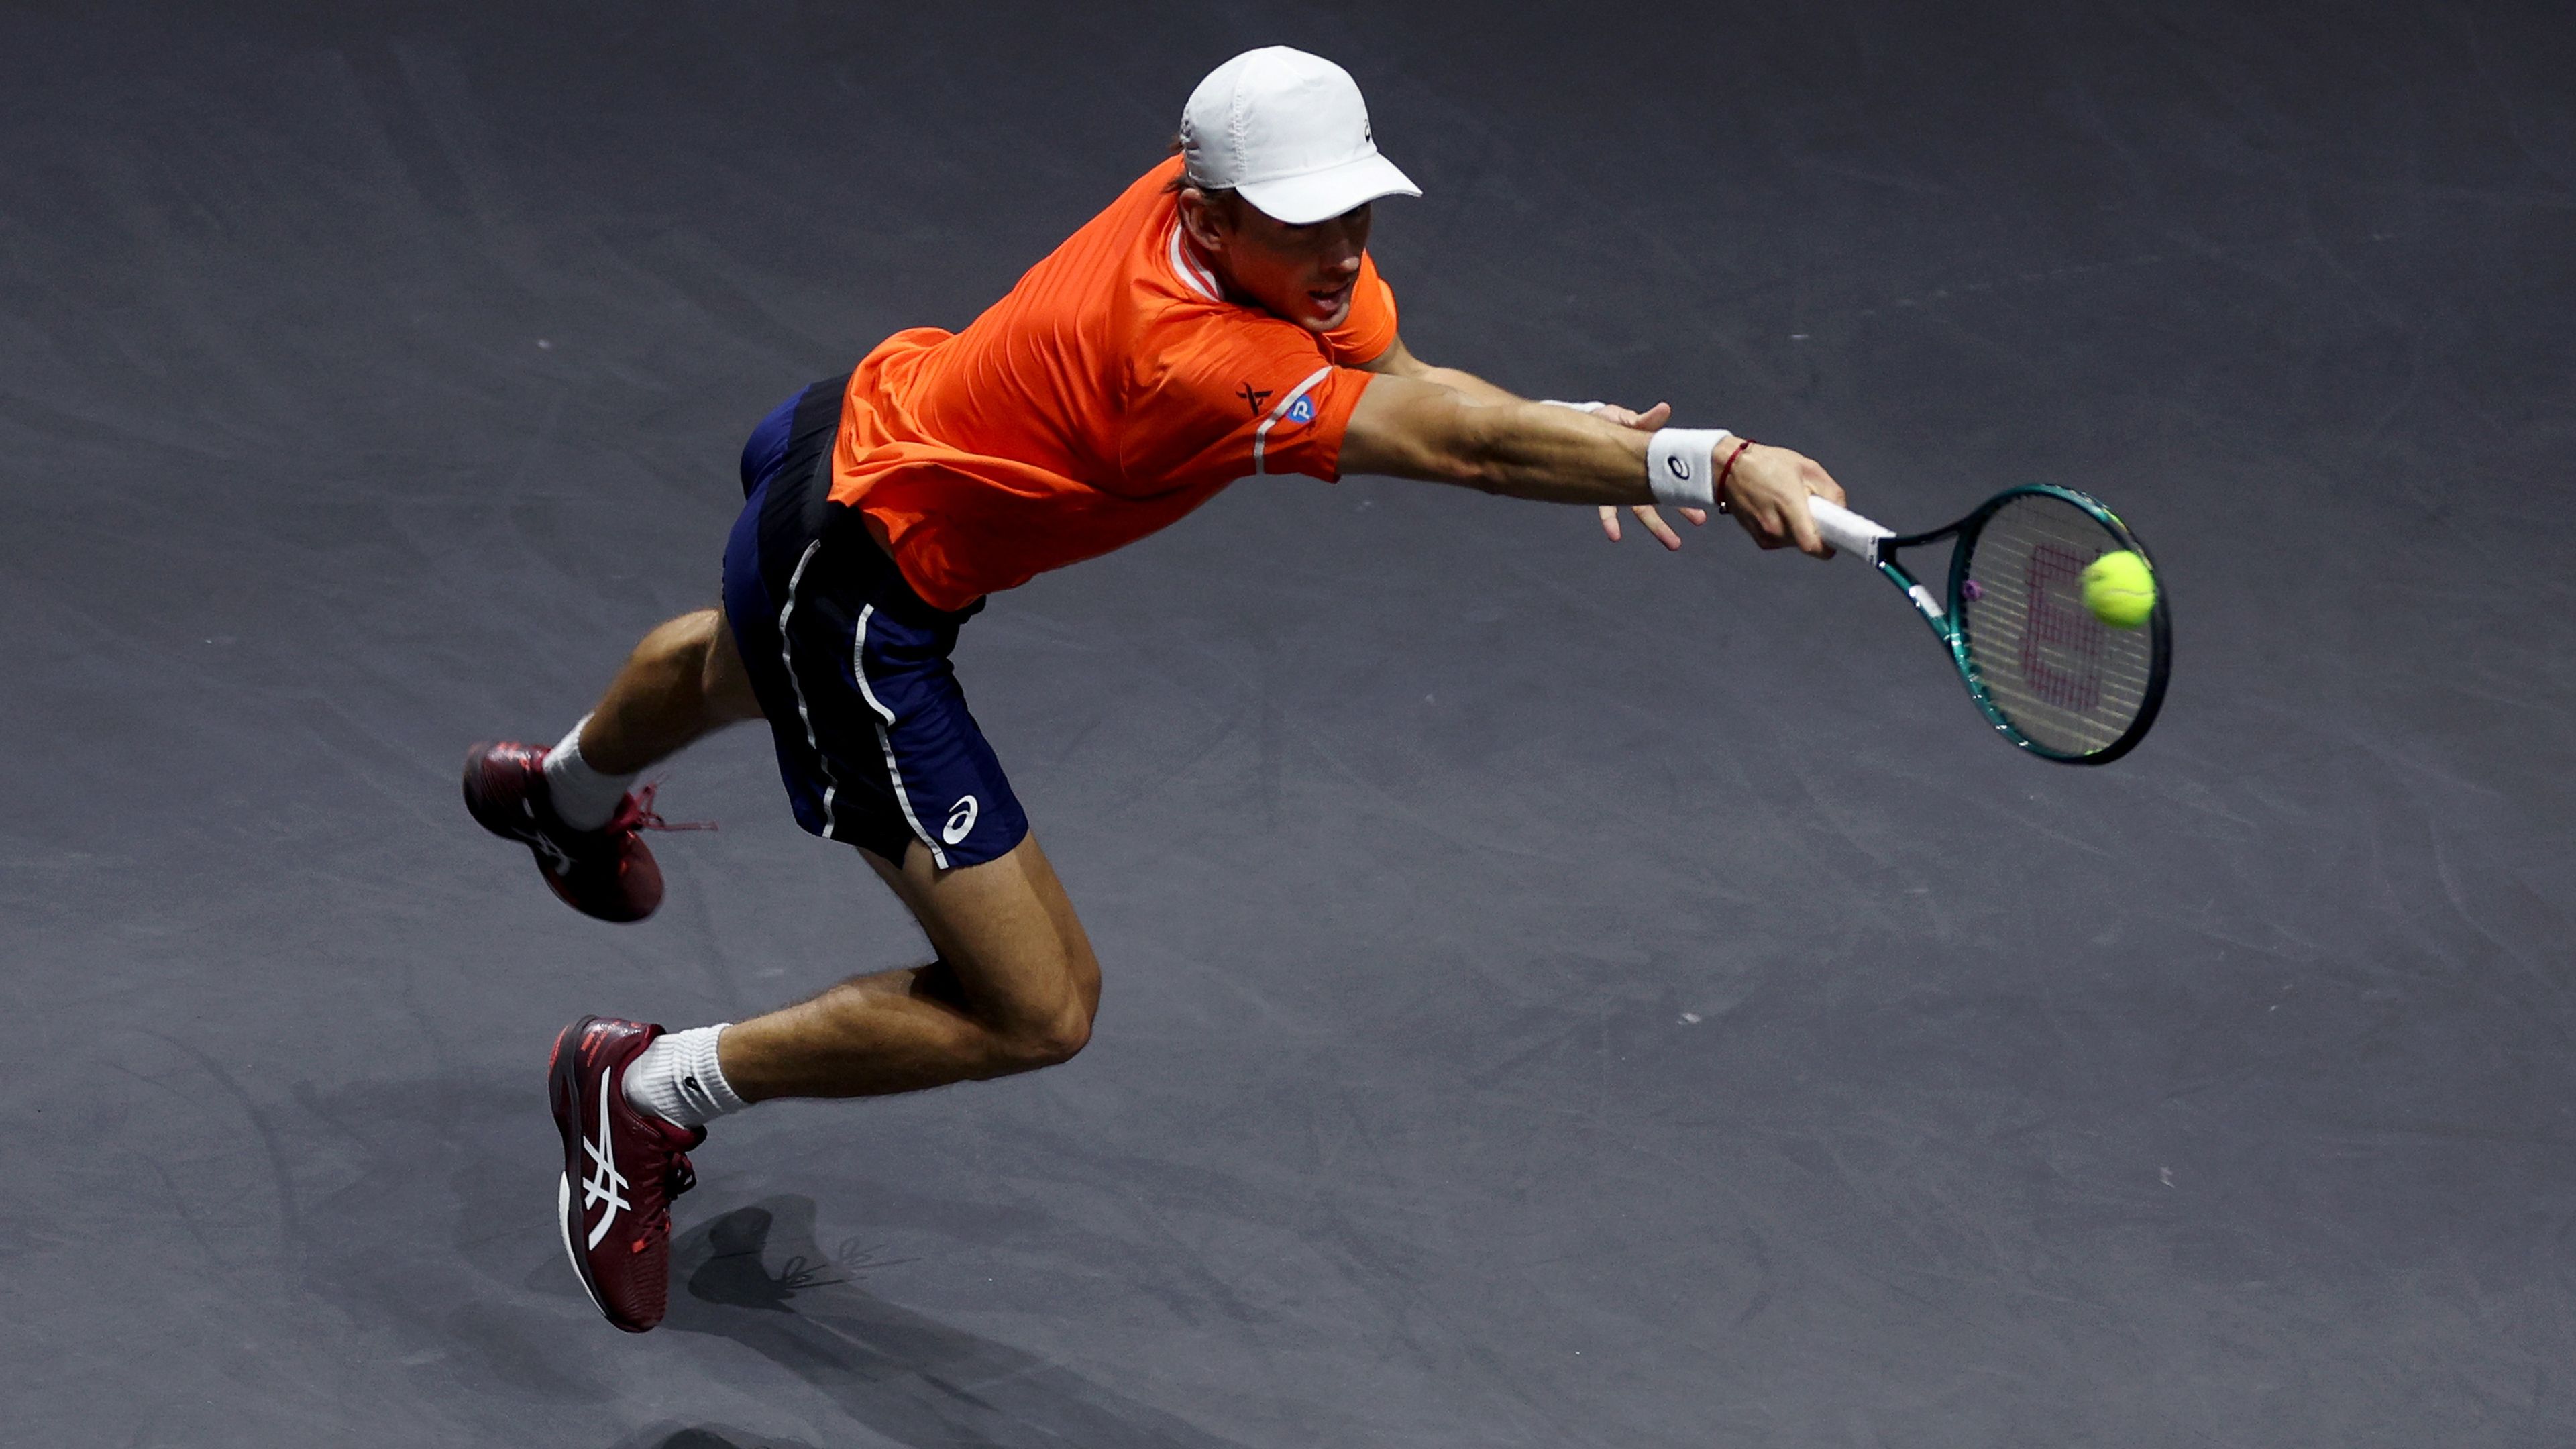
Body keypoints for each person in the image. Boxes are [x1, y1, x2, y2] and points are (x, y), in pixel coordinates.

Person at [465, 45, 1848, 1334]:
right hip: (863, 588)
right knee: (1036, 1008)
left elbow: (1407, 377)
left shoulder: (1261, 244)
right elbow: (1456, 444)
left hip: (852, 423)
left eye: (1355, 213)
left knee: (730, 654)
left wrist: (1572, 435)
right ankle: (643, 1090)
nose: (1343, 251)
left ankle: (560, 794)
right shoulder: (1179, 357)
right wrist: (1709, 464)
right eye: (1307, 223)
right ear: (1206, 208)